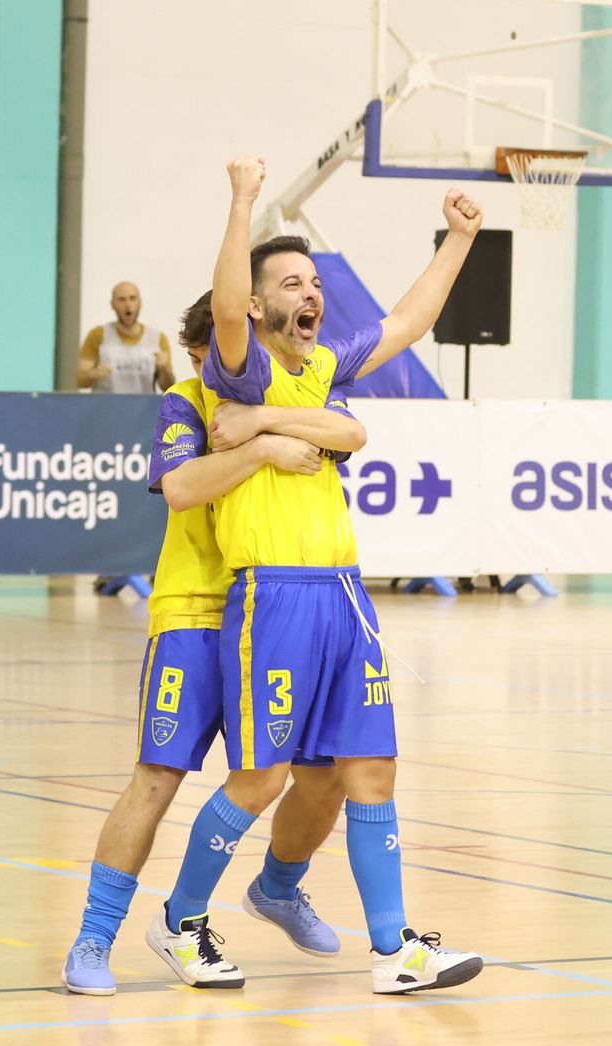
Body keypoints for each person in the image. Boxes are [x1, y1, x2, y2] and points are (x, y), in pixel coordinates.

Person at [147, 156, 486, 995]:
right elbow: (227, 305)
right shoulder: (238, 366)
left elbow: (406, 321)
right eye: (291, 281)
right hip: (273, 596)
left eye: (314, 281)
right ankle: (182, 920)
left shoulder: (318, 372)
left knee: (368, 769)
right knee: (260, 774)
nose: (311, 292)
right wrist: (240, 200)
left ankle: (395, 948)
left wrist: (460, 239)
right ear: (261, 305)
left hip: (344, 595)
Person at [64, 291, 369, 995]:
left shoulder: (298, 387)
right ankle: (94, 937)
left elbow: (360, 414)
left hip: (274, 610)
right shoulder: (186, 400)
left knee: (321, 775)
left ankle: (280, 887)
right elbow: (180, 488)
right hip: (196, 612)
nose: (212, 368)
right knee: (158, 776)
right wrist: (260, 445)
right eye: (205, 357)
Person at [76, 281, 176, 393]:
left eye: (132, 298)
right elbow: (80, 380)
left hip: (144, 408)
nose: (128, 305)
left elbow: (169, 387)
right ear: (112, 304)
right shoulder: (98, 335)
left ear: (140, 302)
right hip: (105, 407)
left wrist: (164, 369)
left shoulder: (157, 338)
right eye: (121, 299)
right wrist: (93, 374)